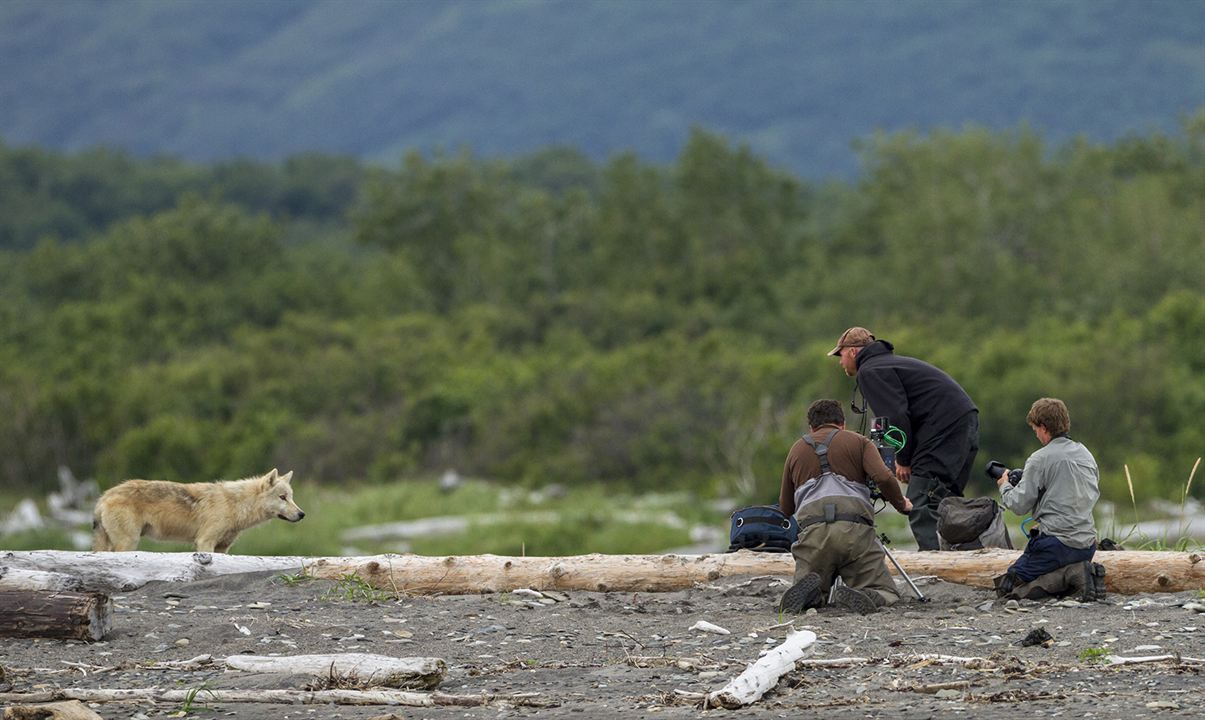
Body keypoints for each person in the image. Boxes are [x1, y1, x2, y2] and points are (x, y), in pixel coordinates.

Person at [830, 327, 979, 550]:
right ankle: (975, 557)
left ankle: (933, 565)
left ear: (852, 352)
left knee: (919, 501)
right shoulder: (890, 364)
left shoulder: (870, 370)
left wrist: (903, 459)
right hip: (965, 421)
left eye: (839, 355)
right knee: (946, 502)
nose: (840, 362)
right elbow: (894, 416)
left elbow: (896, 415)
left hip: (943, 427)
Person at [777, 399, 913, 614]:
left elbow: (785, 508)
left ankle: (811, 596)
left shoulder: (796, 449)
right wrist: (901, 504)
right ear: (843, 424)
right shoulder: (859, 442)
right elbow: (884, 478)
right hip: (854, 530)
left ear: (811, 428)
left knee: (811, 584)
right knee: (885, 591)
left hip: (813, 534)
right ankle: (867, 593)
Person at [994, 398, 1102, 599]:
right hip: (1087, 545)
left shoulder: (1039, 458)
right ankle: (1077, 574)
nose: (1035, 433)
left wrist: (1005, 486)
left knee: (1008, 585)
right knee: (1050, 568)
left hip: (1056, 546)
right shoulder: (1085, 453)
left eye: (1035, 428)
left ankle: (1074, 575)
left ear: (1043, 427)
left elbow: (1018, 505)